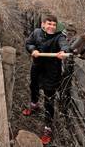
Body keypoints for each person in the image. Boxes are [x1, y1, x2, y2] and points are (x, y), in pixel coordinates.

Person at [23, 14, 70, 145]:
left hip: (52, 72)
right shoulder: (37, 32)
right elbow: (28, 43)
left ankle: (48, 128)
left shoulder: (59, 36)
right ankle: (34, 105)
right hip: (37, 68)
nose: (51, 26)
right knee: (33, 87)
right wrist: (33, 50)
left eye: (54, 24)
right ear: (43, 24)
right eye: (49, 24)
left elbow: (64, 45)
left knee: (49, 99)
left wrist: (63, 52)